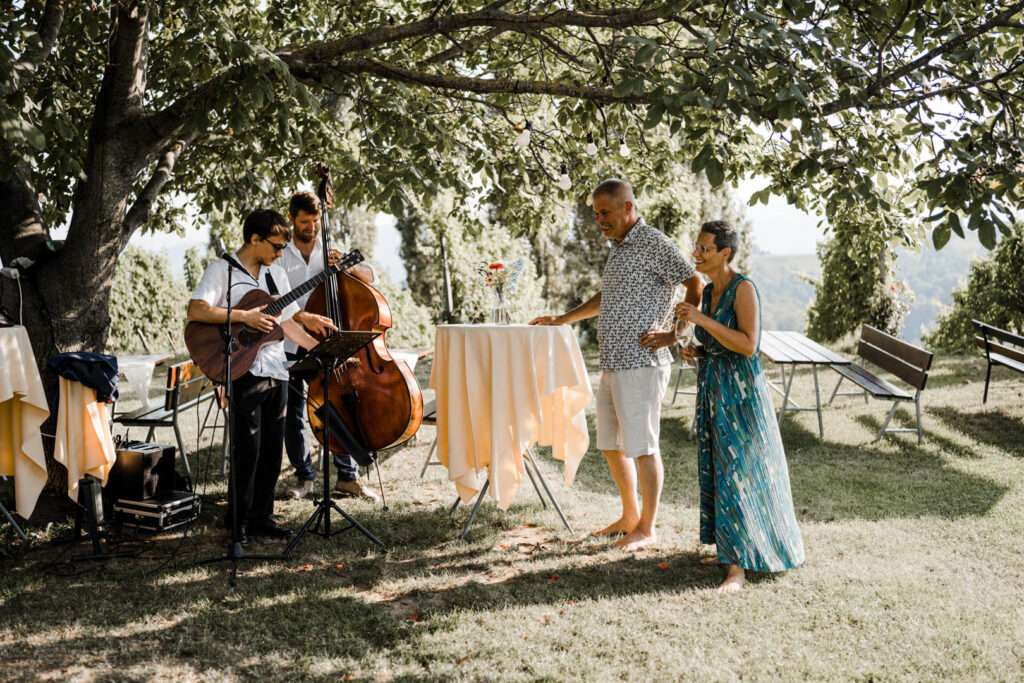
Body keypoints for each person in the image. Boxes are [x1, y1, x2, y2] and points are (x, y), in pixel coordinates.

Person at [531, 178, 703, 550]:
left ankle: (648, 527)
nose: (599, 220)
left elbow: (695, 284)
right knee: (611, 444)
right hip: (613, 362)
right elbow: (606, 297)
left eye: (605, 212)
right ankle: (629, 516)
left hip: (643, 362)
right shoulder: (619, 247)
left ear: (627, 207)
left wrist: (676, 334)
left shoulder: (654, 242)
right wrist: (562, 319)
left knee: (643, 446)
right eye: (595, 214)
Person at [673, 220, 805, 592]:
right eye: (696, 247)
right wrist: (698, 350)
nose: (696, 254)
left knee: (739, 473)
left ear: (725, 253)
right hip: (714, 390)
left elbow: (748, 345)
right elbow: (720, 342)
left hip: (742, 396)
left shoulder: (743, 289)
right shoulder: (711, 289)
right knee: (718, 469)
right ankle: (729, 549)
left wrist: (699, 319)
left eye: (704, 249)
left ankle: (738, 570)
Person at [187, 209, 334, 541]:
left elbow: (288, 323)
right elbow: (197, 309)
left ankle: (261, 517)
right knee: (247, 448)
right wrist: (243, 317)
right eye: (277, 246)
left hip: (276, 370)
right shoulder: (221, 270)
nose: (281, 253)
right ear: (255, 240)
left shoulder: (275, 274)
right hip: (242, 368)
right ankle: (236, 521)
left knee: (271, 448)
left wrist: (319, 344)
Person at [278, 191, 379, 501]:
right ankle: (304, 478)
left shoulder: (330, 250)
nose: (312, 227)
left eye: (316, 220)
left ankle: (348, 477)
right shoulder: (280, 254)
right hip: (290, 339)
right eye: (305, 221)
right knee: (293, 413)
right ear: (292, 220)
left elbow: (370, 277)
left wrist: (345, 268)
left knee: (340, 407)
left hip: (330, 342)